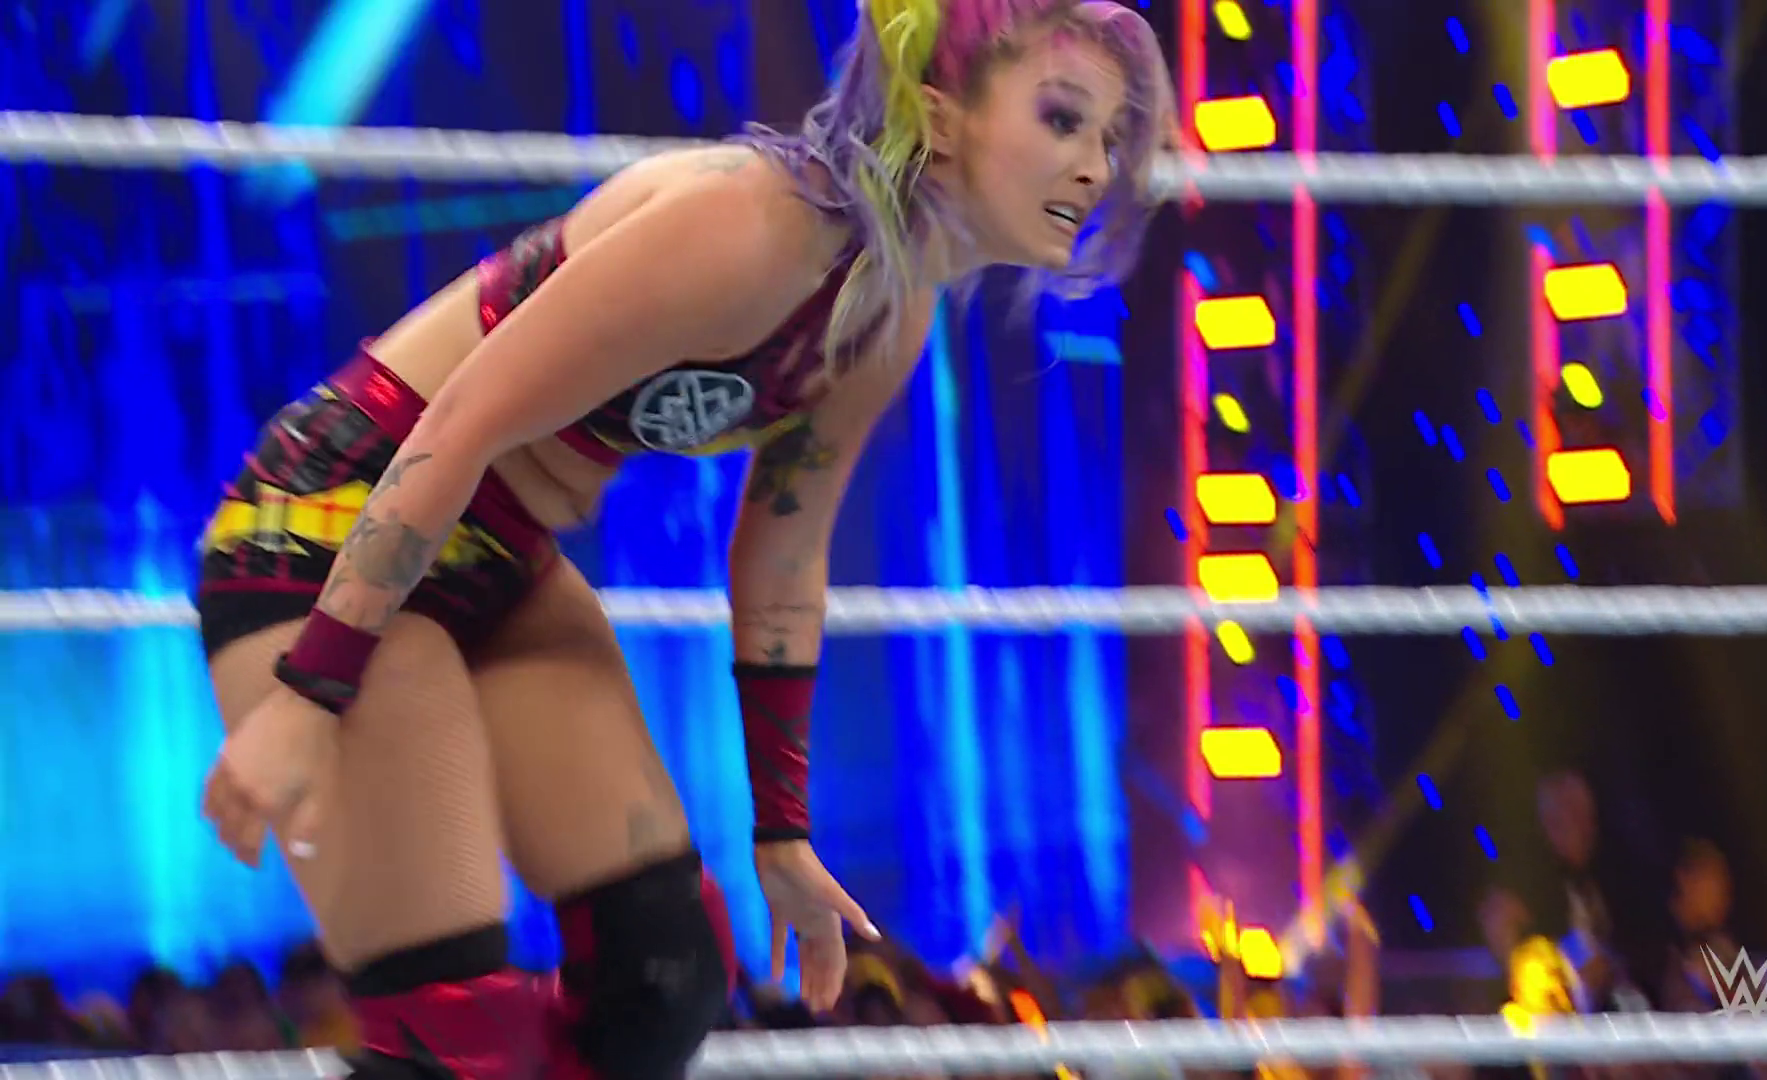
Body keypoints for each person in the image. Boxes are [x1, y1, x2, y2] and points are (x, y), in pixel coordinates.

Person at [194, 1, 1175, 1078]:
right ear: (940, 117)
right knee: (456, 1039)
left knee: (659, 977)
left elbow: (784, 559)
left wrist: (782, 835)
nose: (1095, 166)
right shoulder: (754, 221)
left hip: (502, 555)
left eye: (1109, 136)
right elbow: (458, 422)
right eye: (1063, 119)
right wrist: (312, 690)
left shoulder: (885, 312)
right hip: (336, 522)